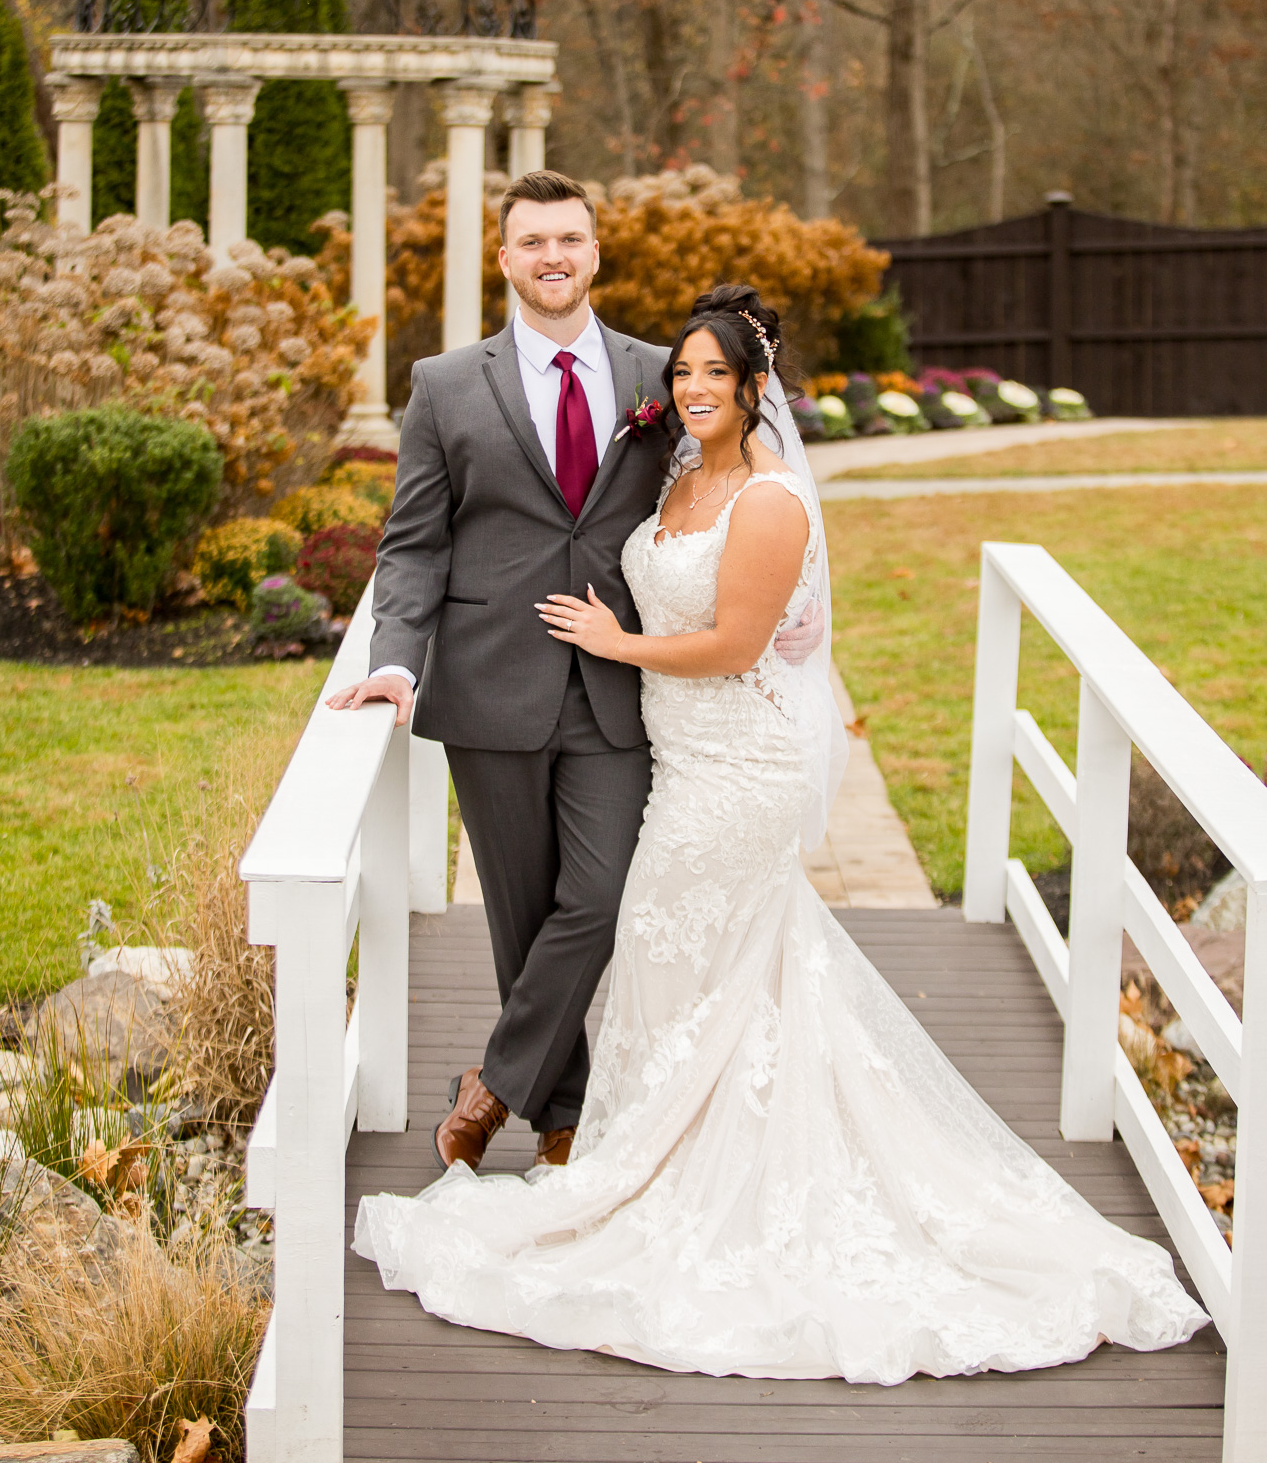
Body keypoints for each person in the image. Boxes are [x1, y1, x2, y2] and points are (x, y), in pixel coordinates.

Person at [352, 283, 1209, 1384]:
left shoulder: (767, 498)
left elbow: (732, 641)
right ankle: (656, 1149)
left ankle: (593, 1134)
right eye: (684, 373)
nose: (693, 388)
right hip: (669, 750)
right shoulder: (675, 469)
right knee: (696, 968)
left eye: (717, 373)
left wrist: (620, 644)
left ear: (758, 387)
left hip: (733, 767)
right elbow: (513, 541)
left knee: (646, 931)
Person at [327, 174, 817, 1173]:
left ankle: (491, 1088)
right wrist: (395, 662)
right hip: (487, 686)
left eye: (569, 239)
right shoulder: (444, 385)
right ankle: (561, 1115)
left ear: (594, 253)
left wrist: (787, 595)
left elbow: (732, 480)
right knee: (521, 915)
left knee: (597, 897)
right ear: (505, 258)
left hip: (618, 692)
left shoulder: (659, 375)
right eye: (532, 241)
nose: (552, 256)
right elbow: (413, 544)